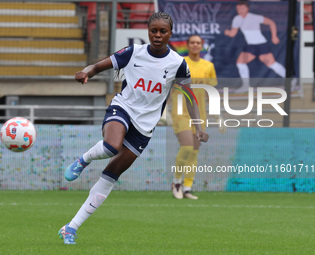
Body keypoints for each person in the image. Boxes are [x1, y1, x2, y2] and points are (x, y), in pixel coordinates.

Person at [57, 12, 209, 245]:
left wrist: (198, 126)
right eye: (153, 31)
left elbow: (189, 97)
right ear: (148, 32)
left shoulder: (178, 63)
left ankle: (71, 227)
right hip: (123, 109)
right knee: (111, 146)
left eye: (162, 31)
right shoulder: (134, 52)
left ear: (170, 34)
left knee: (111, 175)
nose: (157, 35)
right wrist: (87, 72)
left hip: (145, 127)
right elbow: (100, 65)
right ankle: (84, 159)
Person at [170, 35, 217, 200]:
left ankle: (187, 188)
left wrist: (218, 116)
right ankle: (176, 183)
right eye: (192, 42)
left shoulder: (208, 66)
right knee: (187, 147)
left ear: (202, 46)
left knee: (194, 152)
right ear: (188, 45)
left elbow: (210, 92)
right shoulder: (179, 62)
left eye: (198, 43)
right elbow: (168, 86)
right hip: (180, 111)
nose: (195, 45)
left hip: (199, 115)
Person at [224, 0, 286, 93]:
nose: (239, 10)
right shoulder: (237, 19)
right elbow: (233, 33)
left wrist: (274, 36)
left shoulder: (254, 17)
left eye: (241, 8)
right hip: (251, 46)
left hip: (261, 44)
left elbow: (271, 23)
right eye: (237, 8)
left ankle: (291, 80)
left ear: (247, 8)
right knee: (240, 62)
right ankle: (246, 86)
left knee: (271, 64)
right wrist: (228, 33)